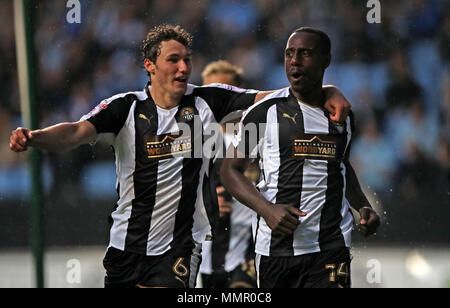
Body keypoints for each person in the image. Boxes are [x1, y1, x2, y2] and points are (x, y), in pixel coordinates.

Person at [9, 24, 351, 289]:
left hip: (180, 248)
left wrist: (330, 90)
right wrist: (35, 137)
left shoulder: (206, 100)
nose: (183, 67)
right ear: (150, 66)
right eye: (173, 59)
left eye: (187, 59)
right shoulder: (125, 108)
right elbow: (74, 132)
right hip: (125, 245)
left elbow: (276, 96)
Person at [221, 27, 380, 288]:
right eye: (289, 54)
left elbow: (341, 165)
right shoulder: (263, 113)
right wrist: (266, 210)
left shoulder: (343, 115)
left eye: (305, 53)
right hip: (276, 249)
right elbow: (230, 171)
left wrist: (361, 205)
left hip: (331, 245)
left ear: (326, 60)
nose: (294, 61)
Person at [199, 60, 257, 288]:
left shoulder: (257, 139)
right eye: (209, 93)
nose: (214, 101)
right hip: (207, 257)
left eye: (222, 93)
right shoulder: (194, 142)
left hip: (249, 251)